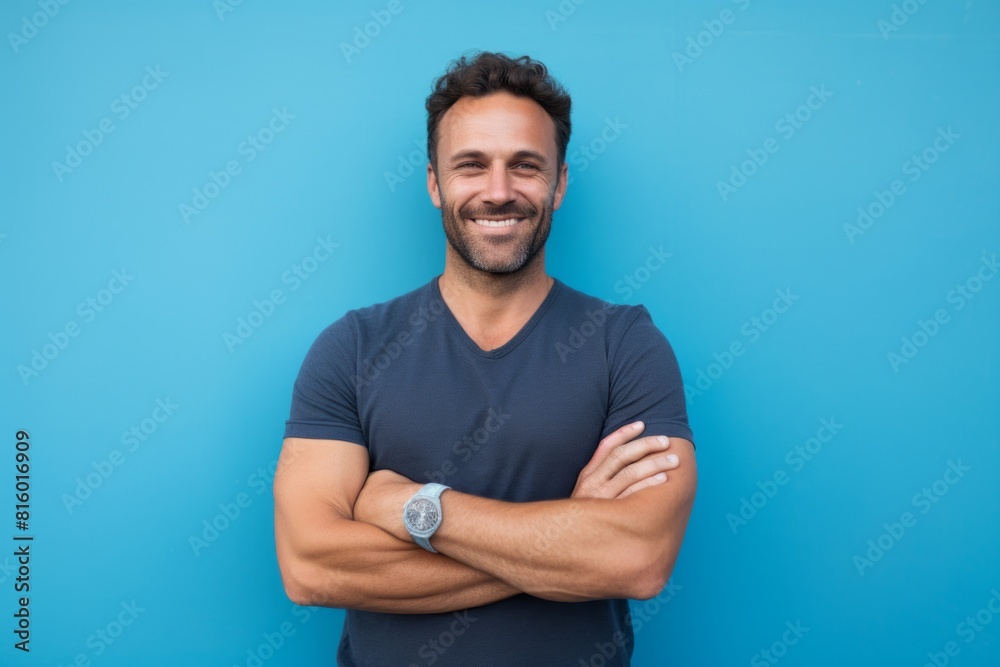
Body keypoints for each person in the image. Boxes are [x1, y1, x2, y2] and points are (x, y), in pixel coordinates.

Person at [274, 50, 697, 667]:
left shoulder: (627, 345)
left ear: (559, 184)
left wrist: (411, 507)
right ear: (434, 184)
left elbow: (637, 559)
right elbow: (311, 567)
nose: (498, 192)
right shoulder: (352, 347)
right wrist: (569, 539)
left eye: (525, 166)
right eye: (471, 165)